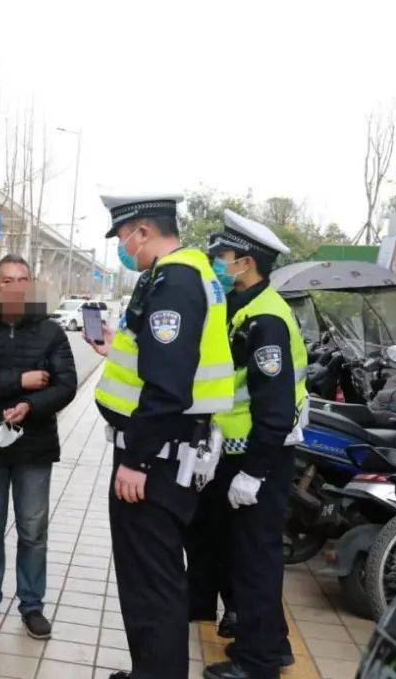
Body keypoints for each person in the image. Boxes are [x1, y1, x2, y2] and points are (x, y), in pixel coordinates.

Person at [89, 193, 234, 679]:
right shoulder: (192, 276)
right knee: (154, 578)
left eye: (123, 238)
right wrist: (115, 348)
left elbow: (169, 385)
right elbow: (162, 359)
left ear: (143, 232)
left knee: (151, 583)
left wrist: (139, 460)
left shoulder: (174, 281)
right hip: (171, 452)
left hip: (156, 458)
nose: (123, 249)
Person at [201, 210, 307, 679]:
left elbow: (276, 407)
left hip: (260, 457)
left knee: (255, 560)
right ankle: (273, 644)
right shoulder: (241, 308)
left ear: (244, 262)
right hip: (240, 452)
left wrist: (255, 472)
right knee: (245, 555)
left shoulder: (266, 321)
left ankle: (257, 663)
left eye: (221, 257)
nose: (216, 264)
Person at [0, 254, 78, 640]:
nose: (16, 287)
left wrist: (33, 405)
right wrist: (21, 380)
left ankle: (32, 604)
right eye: (7, 281)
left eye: (23, 280)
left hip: (34, 445)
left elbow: (66, 385)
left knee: (32, 529)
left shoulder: (51, 332)